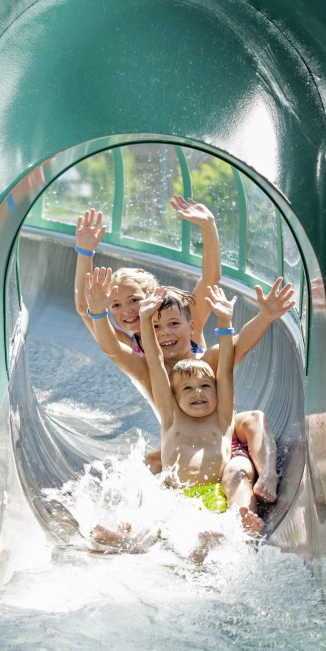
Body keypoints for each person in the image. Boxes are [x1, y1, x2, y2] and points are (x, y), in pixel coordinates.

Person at [72, 201, 294, 504]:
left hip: (221, 427)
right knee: (147, 465)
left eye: (133, 301)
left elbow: (210, 283)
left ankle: (267, 476)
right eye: (116, 306)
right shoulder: (143, 362)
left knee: (251, 418)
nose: (126, 312)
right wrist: (85, 255)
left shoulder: (192, 337)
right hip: (184, 437)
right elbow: (89, 315)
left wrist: (208, 227)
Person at [88, 287, 267, 561]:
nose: (198, 392)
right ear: (174, 395)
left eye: (206, 386)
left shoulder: (212, 379)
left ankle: (239, 524)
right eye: (189, 389)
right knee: (153, 504)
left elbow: (229, 362)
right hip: (178, 489)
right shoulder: (168, 404)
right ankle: (131, 535)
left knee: (237, 479)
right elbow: (152, 360)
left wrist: (228, 321)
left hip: (214, 475)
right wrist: (138, 318)